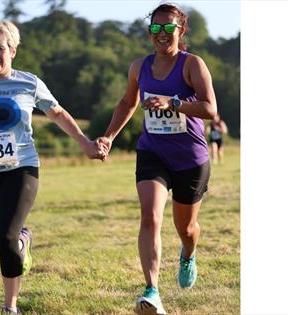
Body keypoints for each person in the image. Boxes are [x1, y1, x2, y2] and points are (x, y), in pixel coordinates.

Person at [0, 19, 106, 315]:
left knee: (5, 238)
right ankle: (23, 239)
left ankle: (9, 307)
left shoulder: (29, 82)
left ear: (13, 50)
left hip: (22, 168)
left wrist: (84, 142)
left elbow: (57, 113)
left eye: (0, 48)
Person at [95, 3, 217, 314]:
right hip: (153, 152)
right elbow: (127, 102)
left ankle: (188, 254)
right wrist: (109, 136)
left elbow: (209, 109)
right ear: (150, 31)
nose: (161, 34)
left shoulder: (192, 65)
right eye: (155, 28)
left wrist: (173, 102)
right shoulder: (139, 67)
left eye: (168, 28)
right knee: (150, 216)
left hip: (191, 157)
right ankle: (152, 291)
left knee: (186, 229)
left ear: (181, 30)